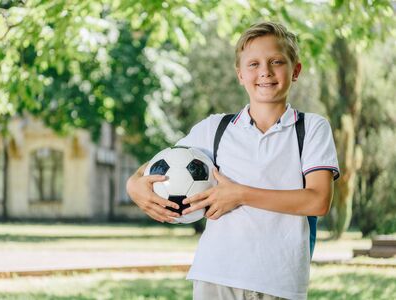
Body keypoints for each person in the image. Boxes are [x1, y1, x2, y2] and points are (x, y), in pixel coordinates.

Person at [126, 21, 340, 300]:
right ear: (240, 74)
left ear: (295, 70)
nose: (265, 71)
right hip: (216, 275)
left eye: (276, 61)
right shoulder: (215, 129)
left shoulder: (311, 128)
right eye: (253, 64)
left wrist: (239, 194)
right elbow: (158, 165)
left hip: (281, 282)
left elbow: (318, 200)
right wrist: (133, 184)